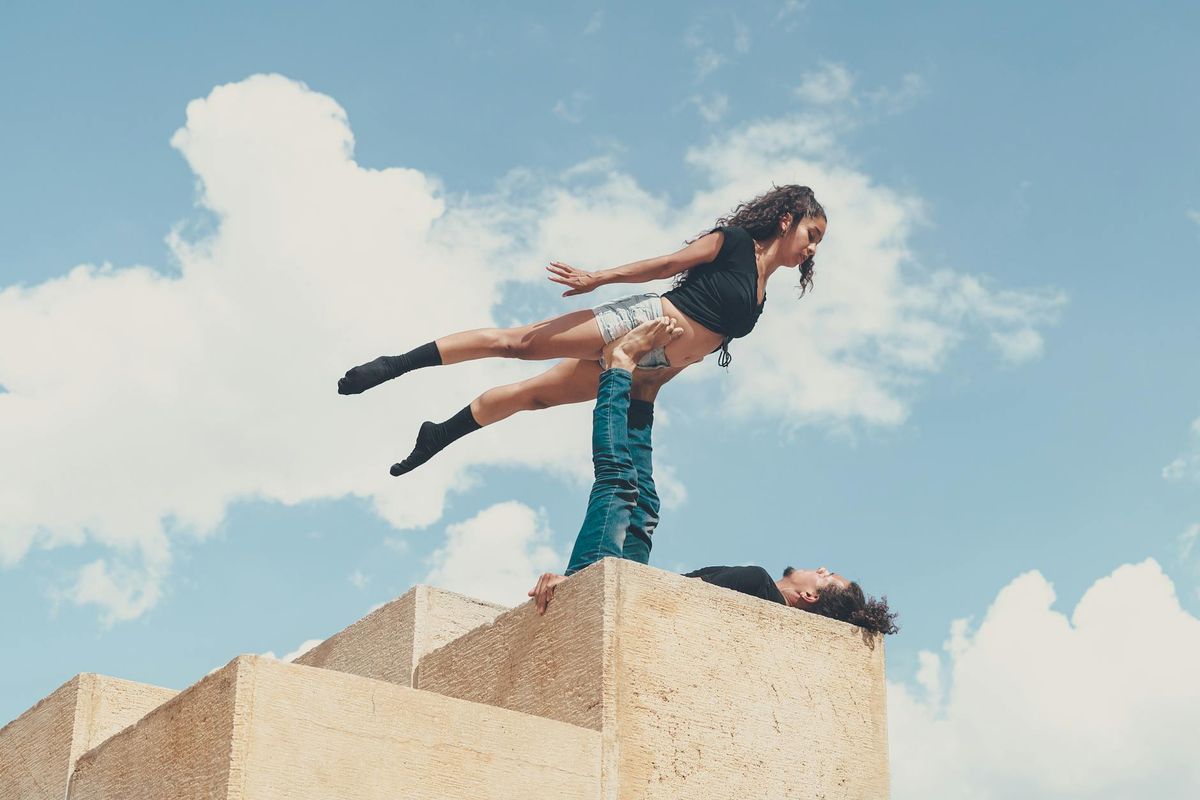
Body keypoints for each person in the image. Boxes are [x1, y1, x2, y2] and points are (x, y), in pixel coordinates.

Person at [337, 185, 828, 476]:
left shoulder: (762, 298)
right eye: (812, 235)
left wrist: (650, 389)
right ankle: (393, 365)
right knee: (519, 343)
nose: (812, 248)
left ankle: (439, 435)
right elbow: (665, 265)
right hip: (639, 320)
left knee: (534, 396)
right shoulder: (735, 243)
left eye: (818, 243)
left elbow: (702, 349)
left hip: (644, 364)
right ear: (787, 220)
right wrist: (599, 278)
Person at [526, 320, 898, 636]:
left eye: (826, 576)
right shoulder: (764, 602)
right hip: (636, 596)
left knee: (618, 480)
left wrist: (578, 587)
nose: (820, 568)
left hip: (623, 602)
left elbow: (670, 600)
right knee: (645, 506)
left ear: (811, 598)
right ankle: (645, 393)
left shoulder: (758, 582)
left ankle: (619, 367)